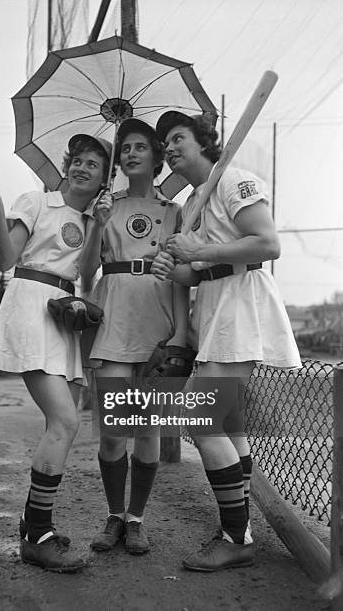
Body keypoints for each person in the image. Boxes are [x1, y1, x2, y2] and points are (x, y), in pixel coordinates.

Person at [151, 111, 301, 571]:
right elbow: (196, 271)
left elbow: (268, 244)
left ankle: (237, 538)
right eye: (166, 144)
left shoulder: (234, 180)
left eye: (178, 138)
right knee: (231, 426)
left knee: (200, 420)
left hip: (242, 304)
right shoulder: (194, 200)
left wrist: (201, 252)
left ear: (203, 142)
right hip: (215, 306)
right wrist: (173, 268)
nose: (170, 148)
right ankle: (239, 529)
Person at [0, 133, 112, 573]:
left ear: (104, 180)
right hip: (31, 307)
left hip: (64, 316)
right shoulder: (35, 201)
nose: (82, 168)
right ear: (67, 164)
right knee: (66, 422)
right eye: (79, 160)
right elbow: (5, 258)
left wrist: (101, 225)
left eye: (94, 164)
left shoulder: (92, 220)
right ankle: (36, 535)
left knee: (63, 422)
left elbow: (87, 275)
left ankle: (35, 524)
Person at [79, 118, 190, 555]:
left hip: (156, 324)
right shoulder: (105, 206)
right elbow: (86, 272)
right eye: (124, 147)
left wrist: (180, 332)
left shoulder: (176, 211)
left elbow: (181, 277)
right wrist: (97, 223)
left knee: (146, 430)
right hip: (112, 321)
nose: (130, 153)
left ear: (157, 156)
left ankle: (137, 519)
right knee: (112, 431)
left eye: (140, 146)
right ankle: (113, 516)